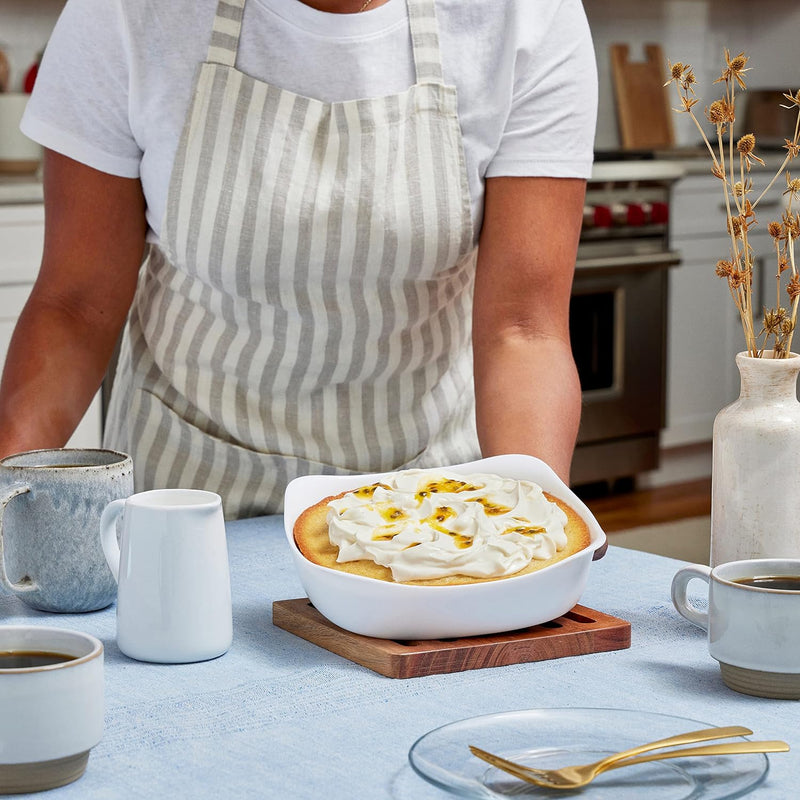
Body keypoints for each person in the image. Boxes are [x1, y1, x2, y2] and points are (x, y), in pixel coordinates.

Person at [0, 0, 597, 519]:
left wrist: (533, 524)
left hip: (425, 514)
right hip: (181, 510)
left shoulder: (524, 17)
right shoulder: (131, 12)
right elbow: (76, 307)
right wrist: (8, 494)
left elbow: (523, 331)